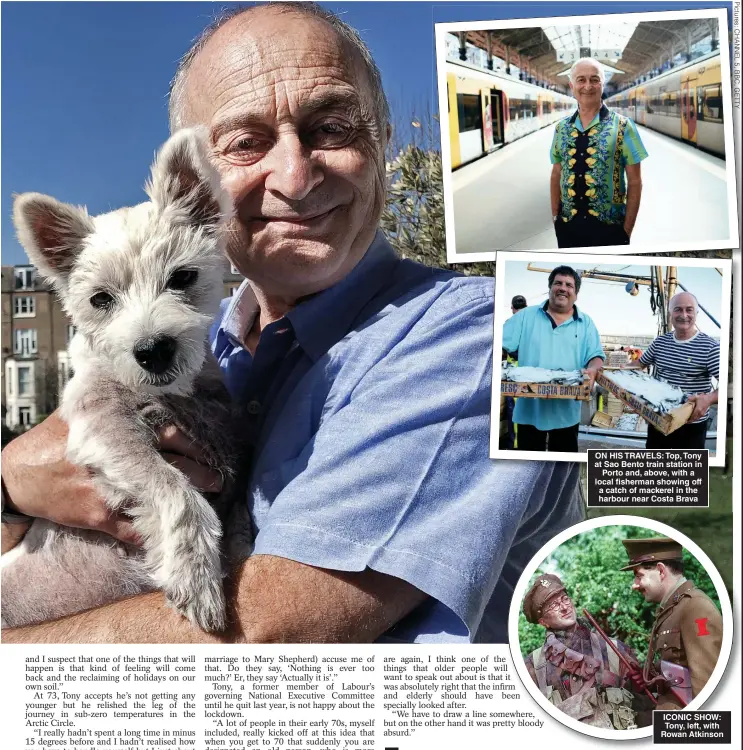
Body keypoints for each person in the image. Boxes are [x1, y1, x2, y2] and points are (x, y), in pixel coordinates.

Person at [0, 2, 584, 644]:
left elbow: (269, 640)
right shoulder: (214, 344)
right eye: (246, 143)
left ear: (384, 138)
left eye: (332, 127)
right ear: (203, 187)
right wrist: (11, 483)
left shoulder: (480, 340)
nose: (296, 176)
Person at [522, 574, 649, 729]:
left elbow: (645, 706)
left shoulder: (614, 649)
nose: (564, 607)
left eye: (564, 599)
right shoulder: (534, 666)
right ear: (543, 622)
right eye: (554, 605)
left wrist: (638, 687)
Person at [502, 265, 604, 452]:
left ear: (576, 293)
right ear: (550, 288)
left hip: (567, 413)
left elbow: (596, 356)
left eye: (569, 285)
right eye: (558, 283)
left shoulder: (586, 323)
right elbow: (498, 343)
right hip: (529, 412)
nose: (563, 288)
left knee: (561, 471)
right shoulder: (525, 316)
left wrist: (593, 369)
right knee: (529, 472)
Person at [550, 58, 648, 249]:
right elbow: (556, 173)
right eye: (581, 80)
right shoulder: (561, 128)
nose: (588, 86)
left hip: (610, 230)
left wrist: (626, 231)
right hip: (568, 229)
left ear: (603, 84)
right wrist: (556, 218)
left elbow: (635, 181)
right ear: (571, 86)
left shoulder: (624, 126)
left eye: (594, 80)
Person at [621, 537, 723, 709]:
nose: (635, 585)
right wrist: (650, 679)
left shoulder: (695, 606)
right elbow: (678, 673)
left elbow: (708, 684)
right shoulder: (672, 609)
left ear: (661, 571)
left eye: (639, 576)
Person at [628, 292, 720, 449]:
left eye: (689, 310)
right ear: (670, 313)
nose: (684, 315)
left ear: (696, 313)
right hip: (658, 420)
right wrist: (617, 371)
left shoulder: (710, 347)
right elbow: (640, 364)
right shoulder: (660, 342)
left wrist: (709, 398)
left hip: (690, 425)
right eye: (678, 309)